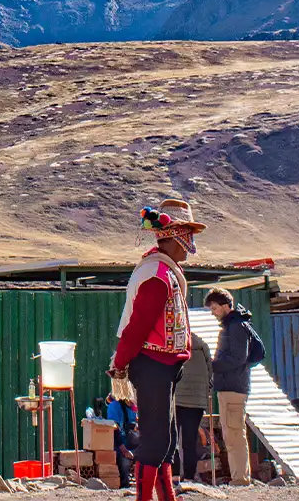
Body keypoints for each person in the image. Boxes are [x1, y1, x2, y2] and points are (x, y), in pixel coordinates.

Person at [110, 198, 203, 501]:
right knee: (155, 439)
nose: (191, 243)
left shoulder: (163, 271)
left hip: (163, 366)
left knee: (166, 438)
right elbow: (137, 326)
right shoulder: (156, 276)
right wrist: (120, 361)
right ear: (175, 235)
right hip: (152, 365)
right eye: (188, 234)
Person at [207, 287, 266, 486]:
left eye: (214, 308)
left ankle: (240, 479)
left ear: (225, 306)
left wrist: (212, 366)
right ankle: (239, 477)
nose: (213, 312)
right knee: (231, 433)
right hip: (230, 387)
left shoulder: (236, 327)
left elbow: (237, 358)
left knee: (233, 434)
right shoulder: (234, 325)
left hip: (233, 387)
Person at [173, 332, 212, 484]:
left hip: (177, 399)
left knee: (173, 438)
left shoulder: (175, 347)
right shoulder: (203, 348)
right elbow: (210, 373)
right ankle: (189, 476)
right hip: (197, 401)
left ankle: (175, 475)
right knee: (190, 441)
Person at [108, 393, 139, 487]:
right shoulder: (114, 406)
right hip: (119, 445)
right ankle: (124, 484)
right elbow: (115, 431)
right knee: (124, 461)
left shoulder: (133, 408)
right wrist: (124, 450)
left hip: (131, 442)